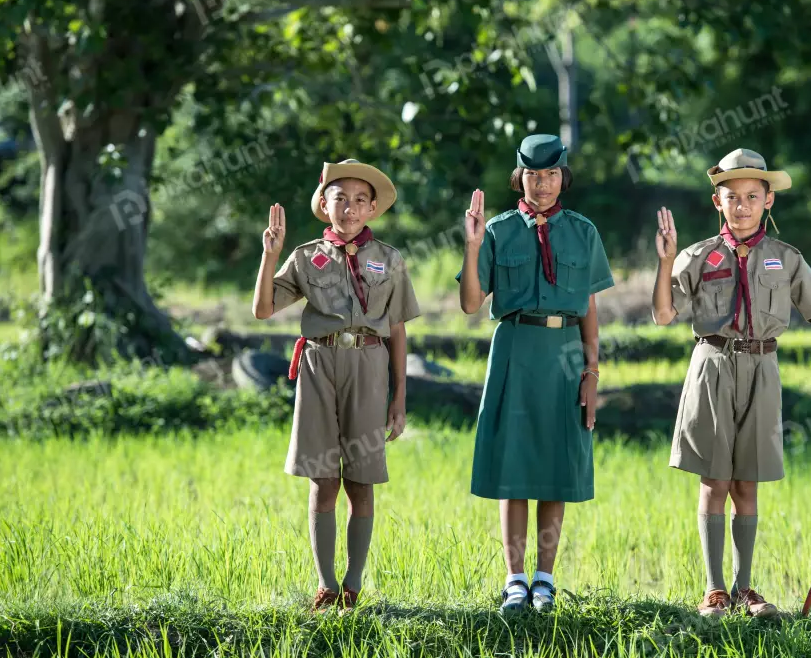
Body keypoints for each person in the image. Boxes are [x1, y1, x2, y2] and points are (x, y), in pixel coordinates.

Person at [651, 147, 811, 619]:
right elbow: (663, 313)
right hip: (712, 365)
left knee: (747, 482)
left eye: (753, 195)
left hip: (763, 370)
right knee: (715, 480)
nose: (743, 205)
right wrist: (665, 262)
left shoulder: (786, 258)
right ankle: (713, 592)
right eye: (732, 196)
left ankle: (744, 588)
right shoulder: (697, 255)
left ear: (769, 200)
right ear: (718, 202)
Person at [251, 158, 420, 613]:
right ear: (324, 205)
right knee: (323, 480)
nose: (349, 208)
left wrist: (399, 397)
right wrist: (270, 255)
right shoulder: (305, 257)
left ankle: (352, 585)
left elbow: (398, 329)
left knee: (361, 483)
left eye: (360, 201)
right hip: (319, 364)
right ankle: (325, 585)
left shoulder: (390, 258)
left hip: (369, 365)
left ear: (371, 209)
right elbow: (264, 310)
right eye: (339, 199)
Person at [458, 134, 614, 614]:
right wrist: (472, 244)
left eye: (549, 175)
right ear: (518, 178)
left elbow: (588, 307)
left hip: (565, 349)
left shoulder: (583, 232)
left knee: (555, 466)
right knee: (514, 467)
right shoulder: (499, 230)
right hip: (515, 347)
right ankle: (515, 580)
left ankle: (545, 580)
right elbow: (469, 303)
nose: (541, 184)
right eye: (531, 174)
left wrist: (591, 371)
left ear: (562, 176)